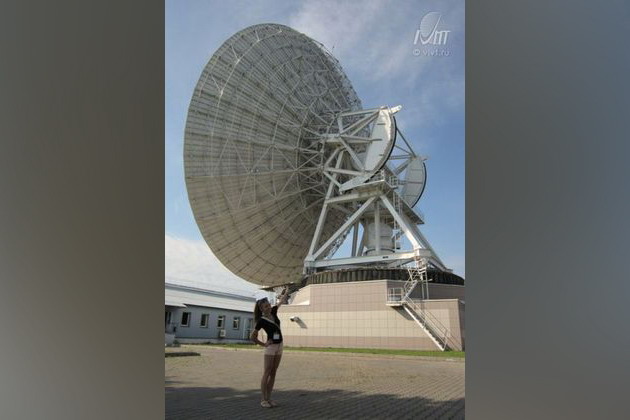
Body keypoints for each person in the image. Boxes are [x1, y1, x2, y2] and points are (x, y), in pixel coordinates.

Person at [250, 288, 288, 408]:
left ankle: (269, 398)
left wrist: (287, 291)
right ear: (261, 309)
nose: (269, 307)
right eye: (266, 306)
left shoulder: (274, 311)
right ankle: (263, 400)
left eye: (269, 305)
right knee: (267, 372)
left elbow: (281, 301)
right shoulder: (261, 321)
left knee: (273, 372)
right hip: (270, 348)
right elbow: (252, 337)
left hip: (280, 345)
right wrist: (264, 344)